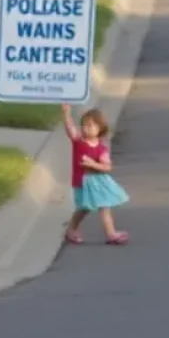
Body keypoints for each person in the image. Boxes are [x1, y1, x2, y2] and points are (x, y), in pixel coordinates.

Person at [61, 104, 130, 245]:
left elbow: (107, 166)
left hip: (98, 182)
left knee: (104, 206)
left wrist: (93, 164)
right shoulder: (79, 142)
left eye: (91, 125)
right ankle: (71, 229)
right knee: (84, 208)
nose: (86, 128)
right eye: (84, 125)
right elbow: (71, 131)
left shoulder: (101, 148)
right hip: (82, 181)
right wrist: (66, 114)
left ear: (100, 128)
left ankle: (111, 233)